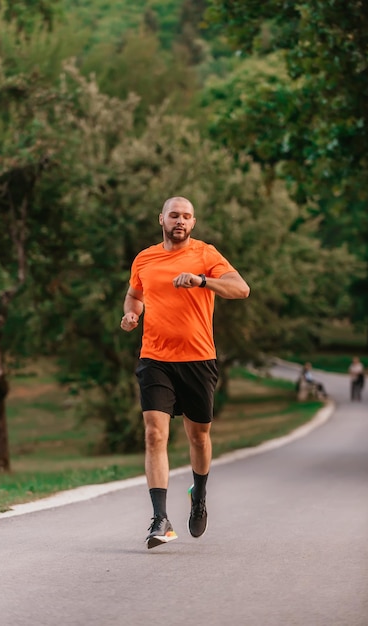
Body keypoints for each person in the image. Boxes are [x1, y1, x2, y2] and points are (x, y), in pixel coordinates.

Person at [120, 196, 250, 549]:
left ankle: (200, 495)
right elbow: (134, 295)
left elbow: (241, 289)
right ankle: (160, 519)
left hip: (197, 359)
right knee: (153, 435)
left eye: (187, 216)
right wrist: (132, 314)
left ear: (193, 223)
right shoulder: (144, 258)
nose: (180, 220)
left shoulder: (206, 255)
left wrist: (202, 281)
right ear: (160, 218)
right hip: (155, 359)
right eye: (174, 215)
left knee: (198, 437)